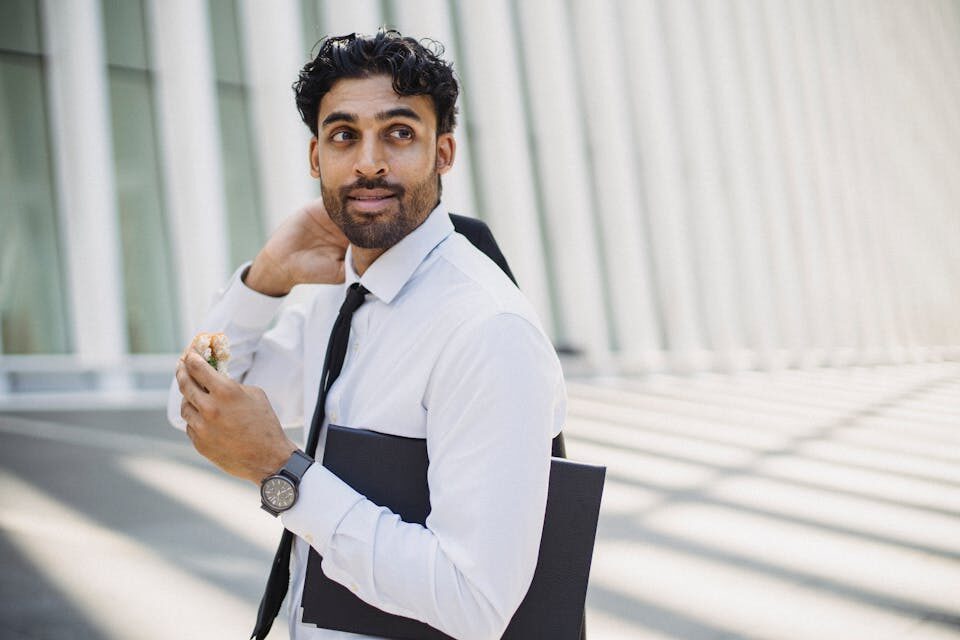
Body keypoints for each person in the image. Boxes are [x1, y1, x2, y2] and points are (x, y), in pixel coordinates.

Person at [168, 29, 565, 640]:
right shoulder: (336, 294)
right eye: (344, 135)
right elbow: (190, 404)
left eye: (399, 133)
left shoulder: (487, 331)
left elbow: (476, 603)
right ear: (315, 157)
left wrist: (282, 471)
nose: (369, 161)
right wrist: (261, 282)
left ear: (444, 154)